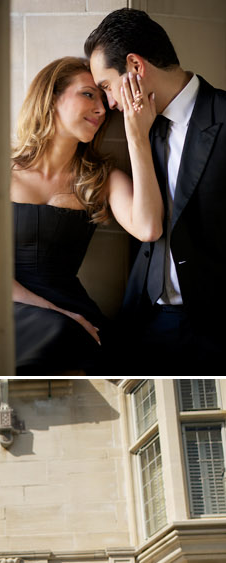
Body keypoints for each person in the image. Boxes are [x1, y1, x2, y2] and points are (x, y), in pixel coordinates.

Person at [85, 8, 226, 371]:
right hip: (146, 324)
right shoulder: (142, 128)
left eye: (105, 87)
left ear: (135, 66)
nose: (108, 104)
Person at [11, 56, 163, 374]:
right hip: (12, 306)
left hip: (73, 310)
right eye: (88, 94)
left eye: (104, 99)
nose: (101, 108)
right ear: (52, 97)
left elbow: (148, 228)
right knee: (58, 338)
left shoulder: (102, 178)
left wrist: (138, 136)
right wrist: (60, 315)